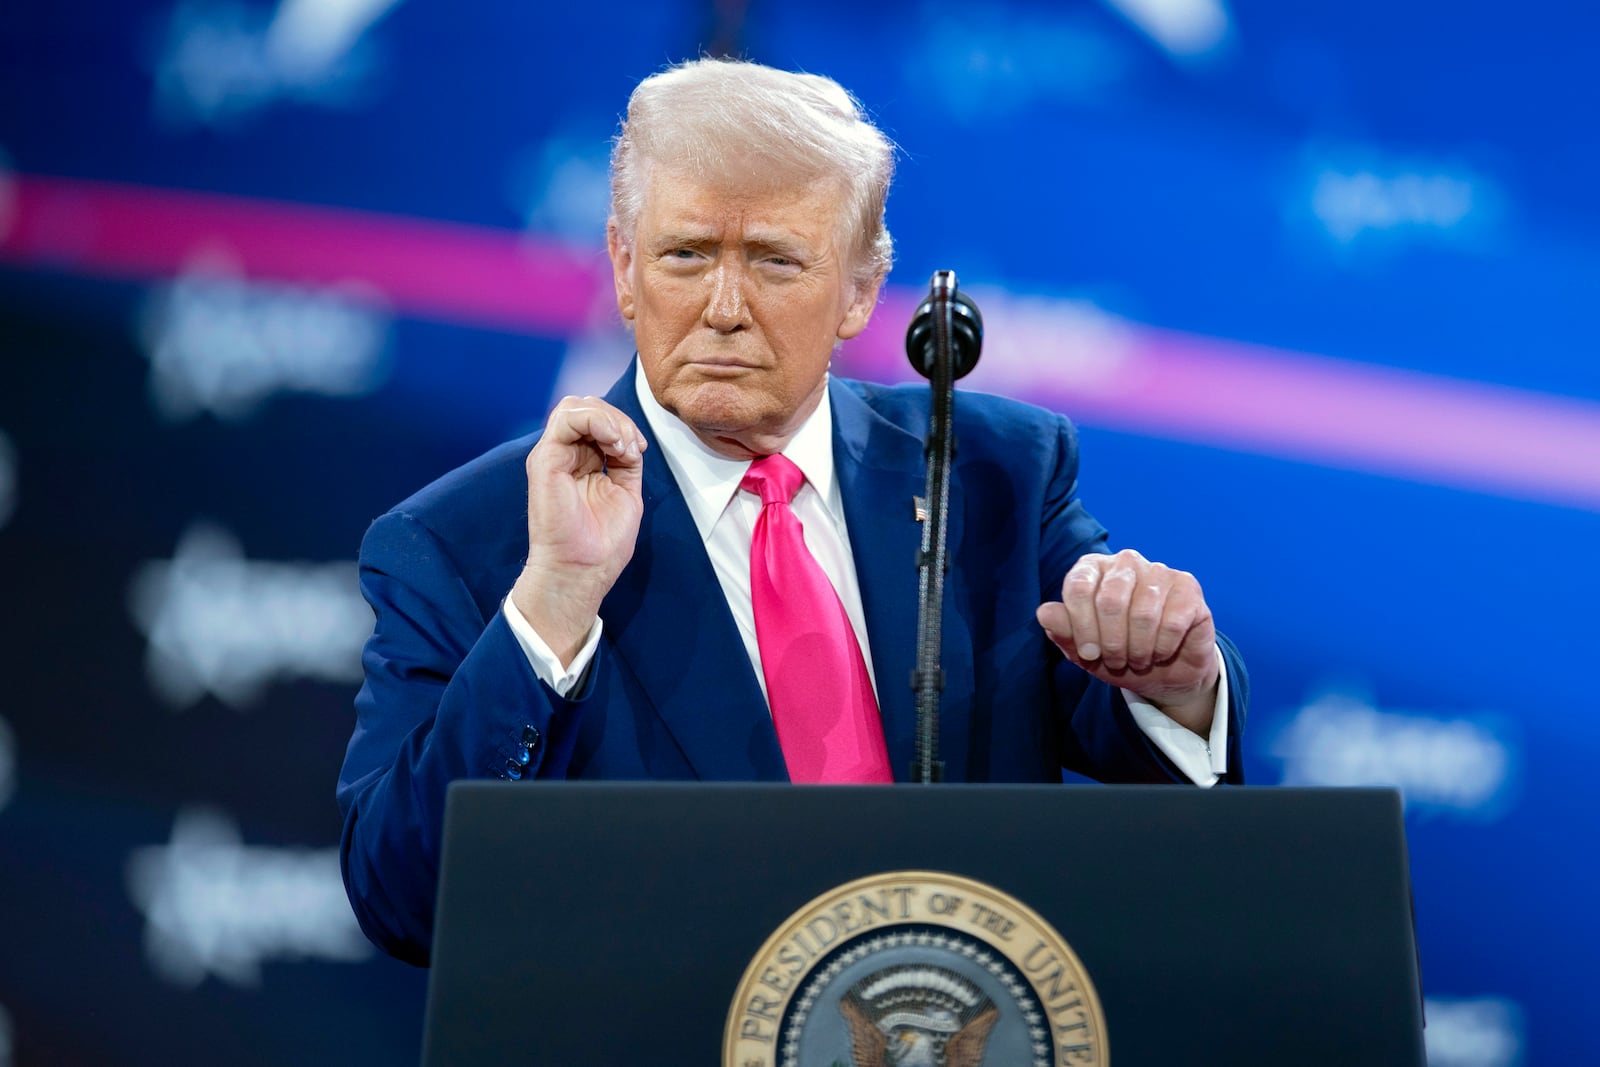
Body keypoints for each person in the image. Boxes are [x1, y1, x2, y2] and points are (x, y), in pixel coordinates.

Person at [337, 57, 1248, 966]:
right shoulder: (466, 541)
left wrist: (1175, 680)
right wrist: (555, 605)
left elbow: (1162, 761)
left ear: (858, 288)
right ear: (622, 263)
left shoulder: (992, 472)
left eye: (775, 260)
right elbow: (406, 897)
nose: (723, 308)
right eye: (684, 254)